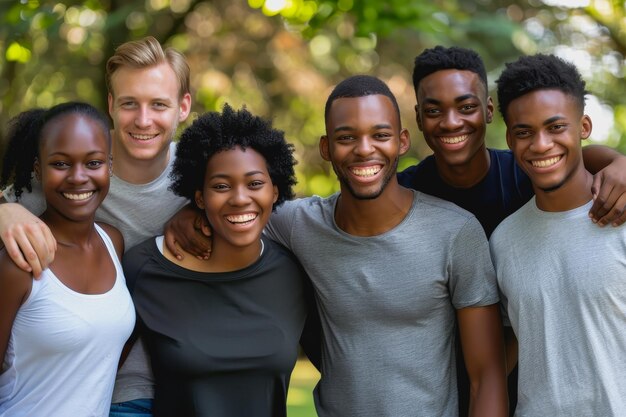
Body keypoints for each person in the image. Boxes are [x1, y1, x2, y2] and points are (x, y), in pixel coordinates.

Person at [396, 45, 626, 416]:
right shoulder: (495, 238)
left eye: (555, 127)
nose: (540, 144)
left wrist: (620, 161)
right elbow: (514, 339)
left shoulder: (609, 208)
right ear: (419, 118)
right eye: (435, 110)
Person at [260, 75, 506, 416]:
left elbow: (486, 375)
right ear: (326, 147)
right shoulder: (297, 224)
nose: (364, 149)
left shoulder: (456, 232)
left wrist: (606, 161)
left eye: (380, 135)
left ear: (402, 141)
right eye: (346, 137)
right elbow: (230, 211)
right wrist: (190, 216)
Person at [0, 36, 192, 416]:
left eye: (158, 104)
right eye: (129, 103)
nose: (143, 119)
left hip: (184, 383)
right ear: (110, 105)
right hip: (100, 390)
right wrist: (1, 210)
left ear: (183, 107)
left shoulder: (203, 176)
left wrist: (197, 211)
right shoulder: (69, 162)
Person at [123, 104, 315, 417]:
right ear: (199, 198)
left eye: (254, 184)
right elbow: (94, 374)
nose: (240, 198)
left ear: (275, 191)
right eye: (221, 186)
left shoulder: (293, 272)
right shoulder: (144, 269)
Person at [491, 53, 626, 416]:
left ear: (583, 126)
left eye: (555, 127)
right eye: (524, 132)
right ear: (509, 138)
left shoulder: (622, 216)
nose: (540, 144)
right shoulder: (502, 241)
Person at [0, 102, 135, 416]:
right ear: (38, 169)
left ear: (110, 166)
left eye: (93, 163)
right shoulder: (18, 263)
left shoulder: (113, 242)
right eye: (61, 164)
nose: (78, 177)